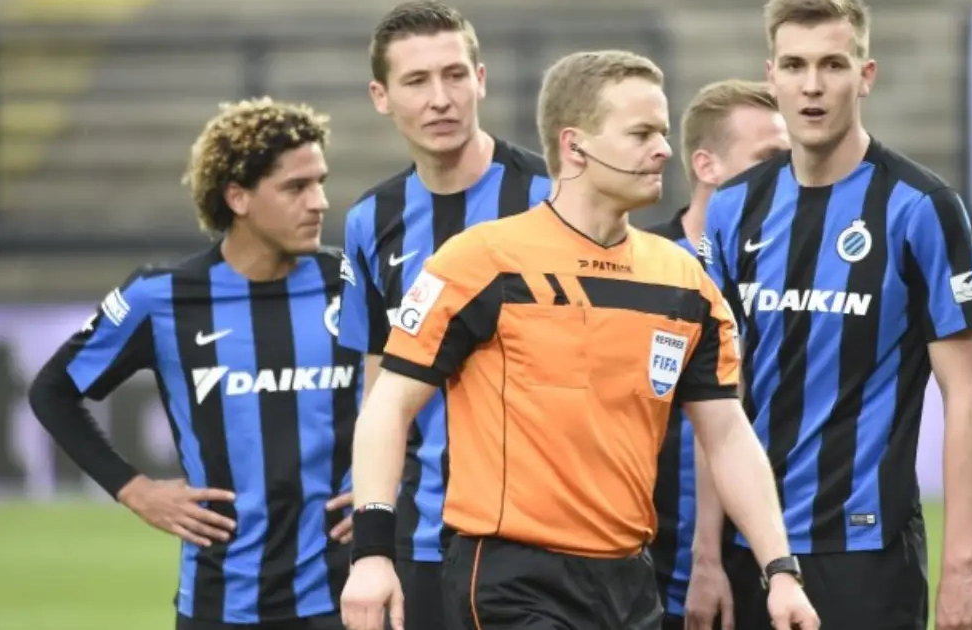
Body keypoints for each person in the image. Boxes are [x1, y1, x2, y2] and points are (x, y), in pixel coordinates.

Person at [339, 49, 820, 630]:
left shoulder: (683, 280)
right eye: (641, 133)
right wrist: (372, 553)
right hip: (512, 580)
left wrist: (780, 570)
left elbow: (727, 435)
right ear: (574, 147)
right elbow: (389, 404)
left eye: (663, 133)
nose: (663, 150)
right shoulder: (482, 262)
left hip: (629, 582)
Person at [697, 1, 972, 629]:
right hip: (753, 547)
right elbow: (717, 396)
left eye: (832, 64)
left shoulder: (921, 208)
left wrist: (961, 568)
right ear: (771, 75)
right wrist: (706, 555)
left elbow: (967, 397)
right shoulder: (732, 209)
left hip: (868, 553)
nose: (812, 85)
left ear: (866, 75)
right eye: (795, 65)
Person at [28, 97, 361, 630]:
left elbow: (422, 391)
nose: (319, 202)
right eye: (296, 187)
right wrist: (135, 490)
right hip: (219, 604)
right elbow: (52, 391)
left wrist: (391, 487)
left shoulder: (353, 283)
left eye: (320, 182)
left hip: (346, 599)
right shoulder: (160, 298)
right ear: (238, 196)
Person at [337, 2, 551, 628]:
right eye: (416, 81)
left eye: (454, 75)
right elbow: (378, 387)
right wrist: (374, 532)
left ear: (480, 79)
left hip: (543, 538)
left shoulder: (553, 197)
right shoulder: (371, 220)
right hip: (423, 536)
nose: (440, 98)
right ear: (381, 96)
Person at [646, 78, 789, 630]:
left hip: (764, 558)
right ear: (706, 166)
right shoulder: (643, 268)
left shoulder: (793, 271)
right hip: (652, 562)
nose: (786, 172)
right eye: (768, 158)